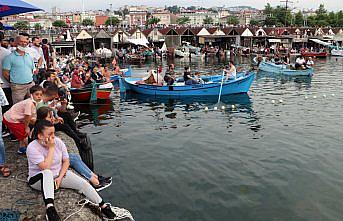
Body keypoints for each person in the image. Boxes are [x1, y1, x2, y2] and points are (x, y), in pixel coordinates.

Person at [26, 120, 115, 221]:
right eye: (49, 134)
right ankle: (50, 209)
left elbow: (66, 161)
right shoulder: (32, 148)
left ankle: (103, 206)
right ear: (40, 136)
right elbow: (45, 166)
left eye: (53, 133)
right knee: (47, 172)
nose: (53, 137)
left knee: (83, 184)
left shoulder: (58, 142)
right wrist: (51, 148)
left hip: (57, 175)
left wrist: (60, 177)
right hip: (38, 180)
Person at [34, 107, 112, 191]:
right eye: (50, 117)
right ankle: (95, 182)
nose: (52, 119)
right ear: (43, 119)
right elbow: (47, 149)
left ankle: (95, 176)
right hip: (47, 160)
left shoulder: (41, 128)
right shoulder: (41, 133)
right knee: (73, 159)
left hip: (50, 156)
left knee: (74, 157)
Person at [3, 85, 43, 154]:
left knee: (23, 134)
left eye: (41, 95)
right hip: (11, 119)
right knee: (25, 134)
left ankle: (22, 149)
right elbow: (27, 117)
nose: (39, 96)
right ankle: (32, 151)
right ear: (31, 95)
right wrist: (26, 127)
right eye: (37, 94)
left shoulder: (32, 102)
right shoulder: (29, 103)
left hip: (12, 117)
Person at [2, 35, 35, 104]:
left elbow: (31, 70)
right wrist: (14, 82)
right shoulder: (9, 57)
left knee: (31, 105)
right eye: (21, 42)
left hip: (30, 85)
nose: (24, 44)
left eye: (26, 42)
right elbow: (5, 73)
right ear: (16, 43)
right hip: (18, 87)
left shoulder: (28, 56)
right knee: (18, 107)